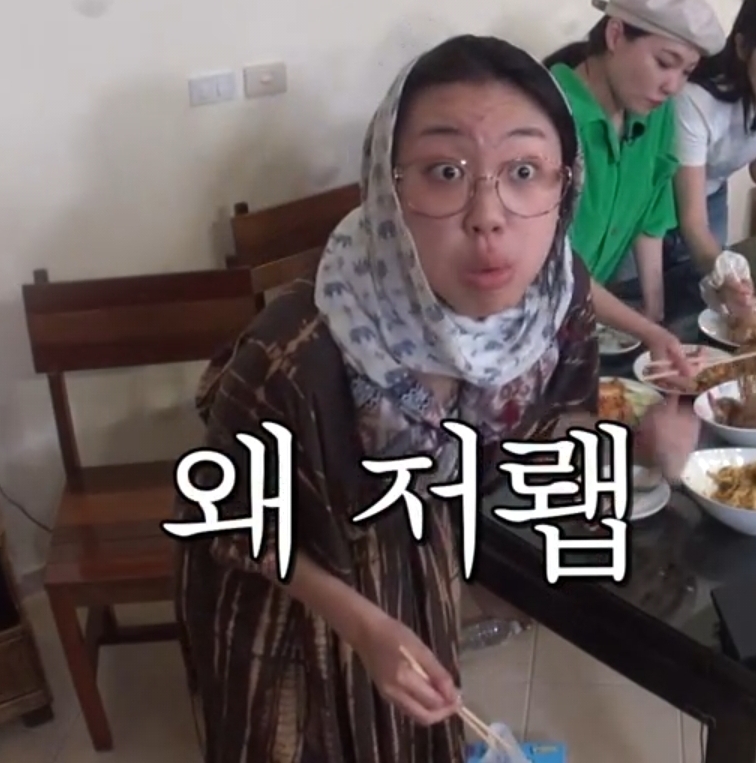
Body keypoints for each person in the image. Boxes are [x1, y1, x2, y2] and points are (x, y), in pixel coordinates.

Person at [173, 35, 699, 763]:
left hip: (410, 560)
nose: (489, 215)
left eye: (523, 171)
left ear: (564, 186)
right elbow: (227, 518)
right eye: (445, 172)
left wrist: (641, 441)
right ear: (387, 186)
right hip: (288, 593)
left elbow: (553, 426)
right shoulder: (297, 349)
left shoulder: (555, 300)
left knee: (412, 735)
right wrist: (361, 623)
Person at [543, 0, 726, 333]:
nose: (673, 86)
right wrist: (646, 331)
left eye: (686, 72)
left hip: (582, 319)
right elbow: (552, 264)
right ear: (615, 35)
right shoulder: (547, 115)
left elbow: (651, 218)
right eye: (664, 63)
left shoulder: (655, 114)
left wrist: (654, 311)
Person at [666, 0, 756, 318]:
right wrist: (718, 265)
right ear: (743, 47)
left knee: (707, 304)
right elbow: (692, 220)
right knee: (636, 304)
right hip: (650, 203)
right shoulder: (696, 99)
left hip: (711, 196)